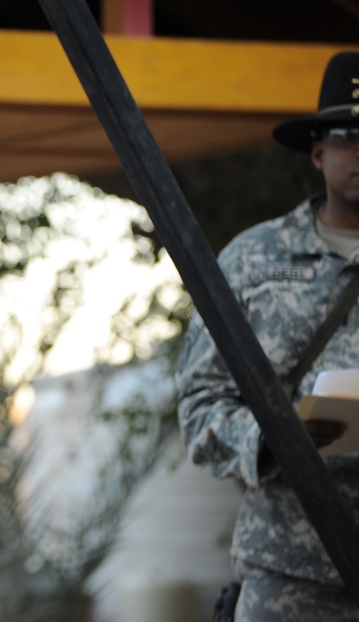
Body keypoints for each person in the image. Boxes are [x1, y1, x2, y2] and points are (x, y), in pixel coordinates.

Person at [178, 50, 359, 621]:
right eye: (346, 135)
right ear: (317, 151)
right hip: (291, 569)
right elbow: (200, 405)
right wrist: (276, 440)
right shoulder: (253, 260)